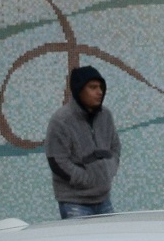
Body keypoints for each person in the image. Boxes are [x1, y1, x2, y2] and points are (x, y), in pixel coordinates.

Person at [45, 64, 120, 217]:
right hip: (74, 202)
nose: (99, 92)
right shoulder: (61, 120)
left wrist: (109, 170)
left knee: (111, 240)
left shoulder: (106, 115)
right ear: (79, 90)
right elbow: (57, 161)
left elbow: (115, 146)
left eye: (101, 87)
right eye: (93, 87)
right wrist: (86, 179)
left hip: (104, 199)